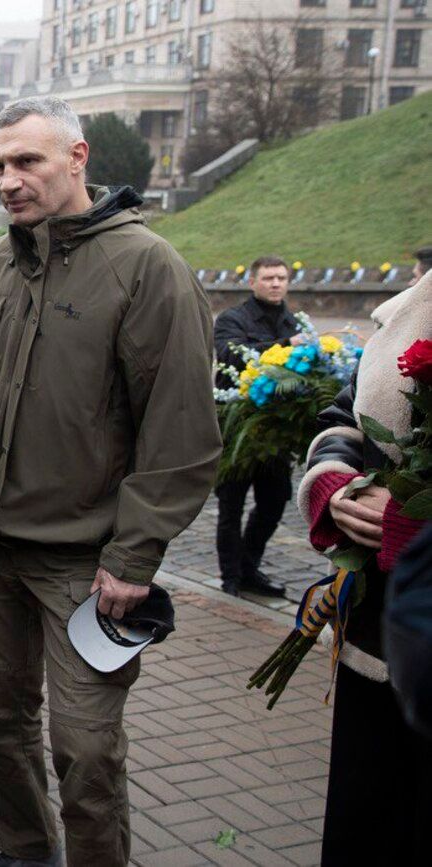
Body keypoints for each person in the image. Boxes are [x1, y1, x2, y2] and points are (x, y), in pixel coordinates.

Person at [0, 96, 221, 867]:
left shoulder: (147, 266)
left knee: (85, 750)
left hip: (84, 567)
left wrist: (135, 554)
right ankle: (26, 851)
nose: (8, 180)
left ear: (78, 158)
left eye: (28, 161)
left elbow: (179, 429)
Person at [296, 269, 432, 865]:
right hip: (374, 642)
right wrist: (334, 485)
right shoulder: (413, 304)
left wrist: (415, 526)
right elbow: (345, 416)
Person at [211, 256, 302, 598]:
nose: (276, 283)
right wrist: (283, 349)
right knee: (230, 506)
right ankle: (231, 578)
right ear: (253, 282)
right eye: (268, 278)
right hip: (236, 429)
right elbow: (232, 355)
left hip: (275, 433)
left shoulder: (294, 323)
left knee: (275, 501)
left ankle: (249, 567)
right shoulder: (233, 319)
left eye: (281, 277)